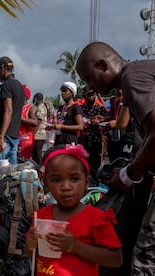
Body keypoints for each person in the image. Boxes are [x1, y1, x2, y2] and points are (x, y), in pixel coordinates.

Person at [76, 41, 155, 275]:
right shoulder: (142, 72)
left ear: (103, 65)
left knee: (146, 256)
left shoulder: (133, 78)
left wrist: (128, 174)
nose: (93, 87)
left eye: (90, 79)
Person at [25, 144, 122, 275]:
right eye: (56, 180)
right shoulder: (40, 217)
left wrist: (75, 246)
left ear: (87, 182)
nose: (66, 187)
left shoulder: (96, 219)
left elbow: (115, 259)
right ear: (46, 183)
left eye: (74, 179)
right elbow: (32, 255)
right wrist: (30, 245)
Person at [0, 56, 25, 164]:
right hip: (14, 135)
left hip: (4, 135)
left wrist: (0, 137)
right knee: (13, 171)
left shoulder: (7, 86)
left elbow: (9, 110)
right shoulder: (19, 85)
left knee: (0, 169)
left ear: (2, 68)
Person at [78, 87, 108, 183]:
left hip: (97, 140)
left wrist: (100, 121)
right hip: (84, 140)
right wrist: (88, 122)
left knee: (96, 165)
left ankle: (95, 186)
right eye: (89, 94)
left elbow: (107, 120)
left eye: (93, 94)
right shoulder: (81, 108)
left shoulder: (100, 108)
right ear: (84, 96)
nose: (92, 96)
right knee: (84, 163)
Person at [106, 88, 142, 163]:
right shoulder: (112, 100)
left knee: (124, 163)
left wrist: (117, 122)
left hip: (129, 136)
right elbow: (115, 116)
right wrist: (104, 119)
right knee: (114, 161)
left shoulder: (130, 98)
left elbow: (124, 122)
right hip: (115, 136)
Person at [18, 84, 38, 160]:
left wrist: (20, 118)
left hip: (26, 139)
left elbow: (35, 122)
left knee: (24, 161)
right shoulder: (18, 107)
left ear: (25, 97)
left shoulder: (30, 108)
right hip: (17, 138)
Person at [32, 93, 48, 164]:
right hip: (39, 134)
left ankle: (40, 170)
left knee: (37, 154)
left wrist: (33, 133)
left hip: (39, 134)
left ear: (36, 99)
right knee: (36, 154)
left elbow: (39, 120)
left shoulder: (41, 107)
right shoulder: (42, 106)